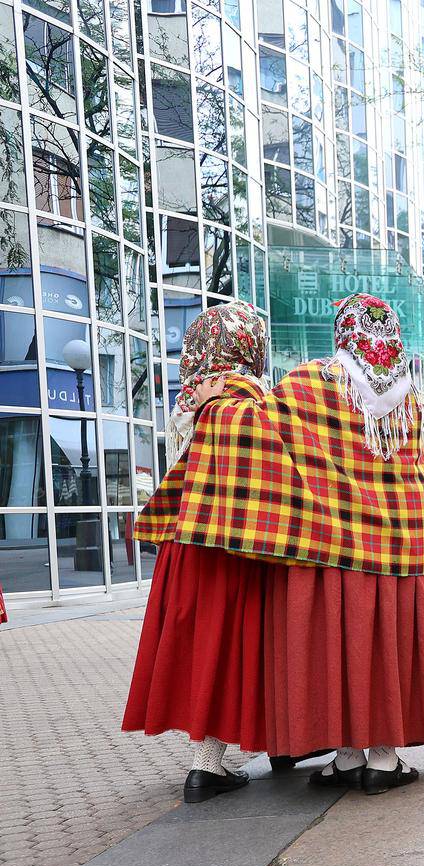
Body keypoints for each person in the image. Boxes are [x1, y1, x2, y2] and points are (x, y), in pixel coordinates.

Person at [141, 294, 424, 796]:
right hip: (402, 545)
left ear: (341, 332)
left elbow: (252, 428)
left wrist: (216, 398)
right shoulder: (413, 397)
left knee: (342, 649)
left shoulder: (308, 381)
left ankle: (344, 756)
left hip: (333, 540)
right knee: (385, 643)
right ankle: (383, 761)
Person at [124, 303, 275, 803]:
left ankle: (206, 762)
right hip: (232, 545)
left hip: (184, 543)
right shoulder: (247, 404)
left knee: (199, 647)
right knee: (237, 646)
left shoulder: (190, 402)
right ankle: (219, 762)